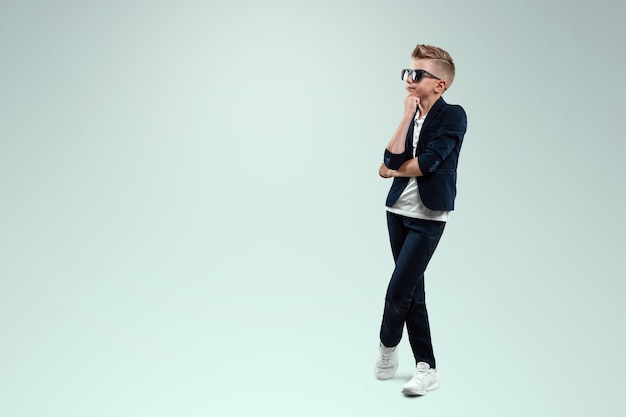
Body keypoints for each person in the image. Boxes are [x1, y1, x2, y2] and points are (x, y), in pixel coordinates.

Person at [375, 44, 467, 396]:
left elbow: (426, 163)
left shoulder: (453, 115)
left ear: (439, 84)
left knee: (399, 290)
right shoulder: (411, 115)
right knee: (413, 290)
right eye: (408, 73)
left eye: (417, 74)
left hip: (429, 216)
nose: (409, 79)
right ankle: (426, 368)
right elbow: (388, 155)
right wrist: (403, 117)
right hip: (397, 212)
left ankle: (386, 346)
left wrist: (390, 170)